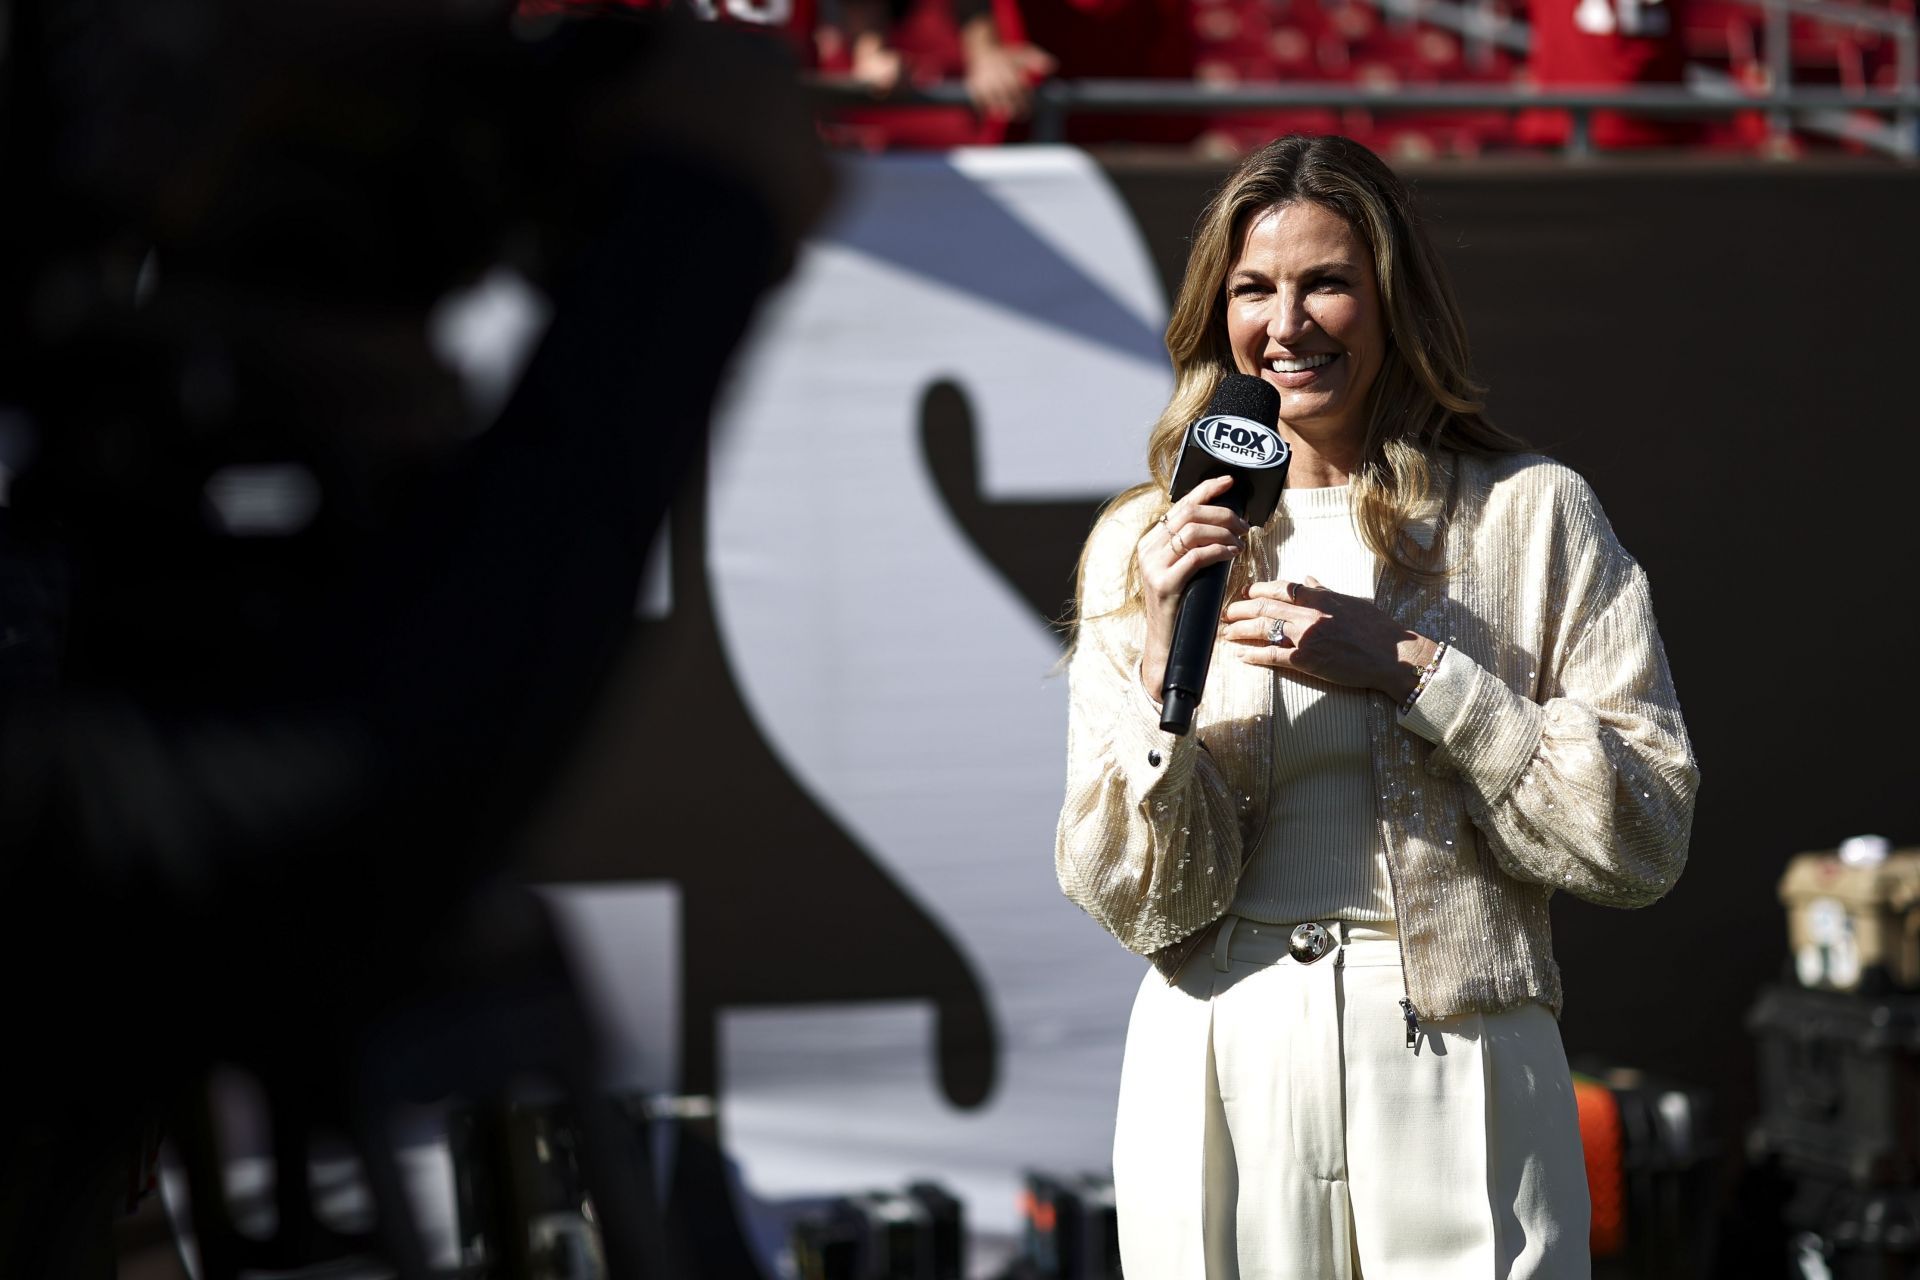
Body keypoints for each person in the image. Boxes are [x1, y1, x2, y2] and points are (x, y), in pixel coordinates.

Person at [1055, 133, 1697, 1279]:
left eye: (1327, 283)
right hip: (1218, 1056)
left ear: (1394, 301)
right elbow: (1132, 898)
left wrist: (1416, 671)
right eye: (1255, 288)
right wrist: (1166, 668)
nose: (1287, 323)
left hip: (1463, 1054)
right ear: (1218, 314)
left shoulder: (1533, 515)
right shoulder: (1137, 544)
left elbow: (1641, 837)